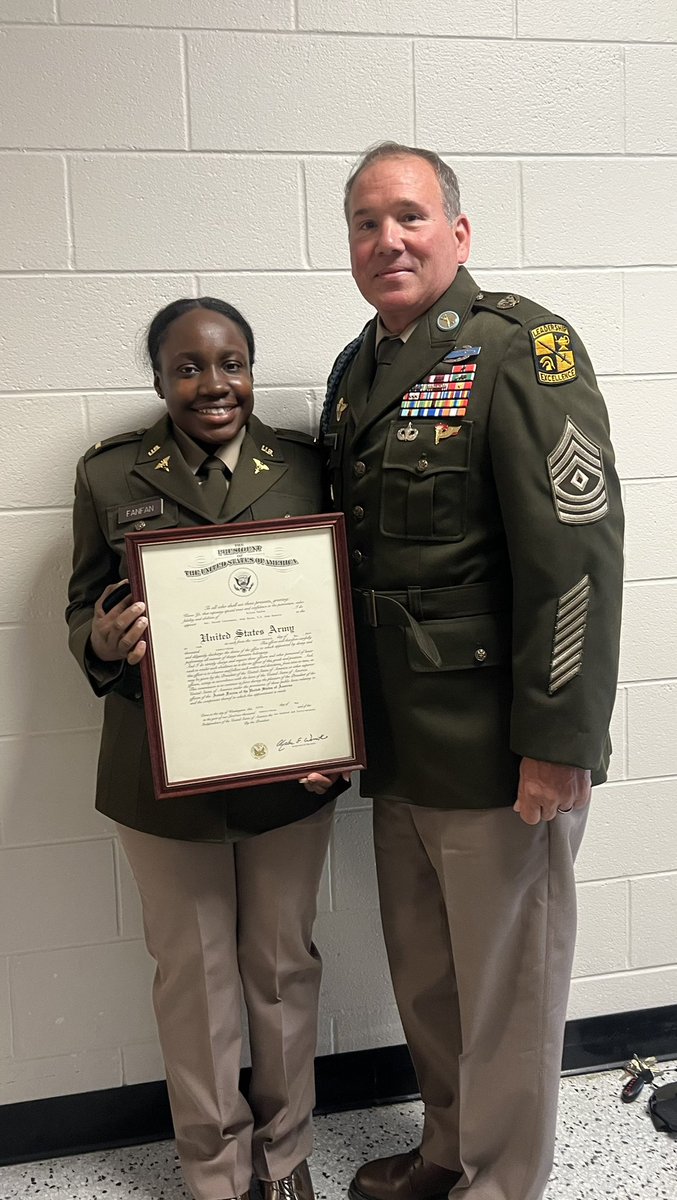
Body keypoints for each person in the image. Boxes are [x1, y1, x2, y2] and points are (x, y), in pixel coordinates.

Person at [321, 143, 624, 1200]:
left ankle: (500, 1183)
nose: (384, 239)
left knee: (505, 992)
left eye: (407, 216)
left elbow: (574, 554)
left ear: (457, 232)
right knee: (430, 981)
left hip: (499, 751)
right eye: (364, 222)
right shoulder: (356, 368)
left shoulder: (522, 349)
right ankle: (448, 1150)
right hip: (400, 748)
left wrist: (557, 741)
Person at [66, 297, 346, 1200]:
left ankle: (287, 1155)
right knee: (196, 979)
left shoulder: (309, 464)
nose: (211, 384)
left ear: (251, 370)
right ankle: (215, 1170)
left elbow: (343, 607)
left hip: (287, 770)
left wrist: (339, 733)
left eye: (230, 363)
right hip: (160, 775)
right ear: (157, 378)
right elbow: (82, 608)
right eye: (187, 367)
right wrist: (103, 641)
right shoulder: (110, 476)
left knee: (280, 969)